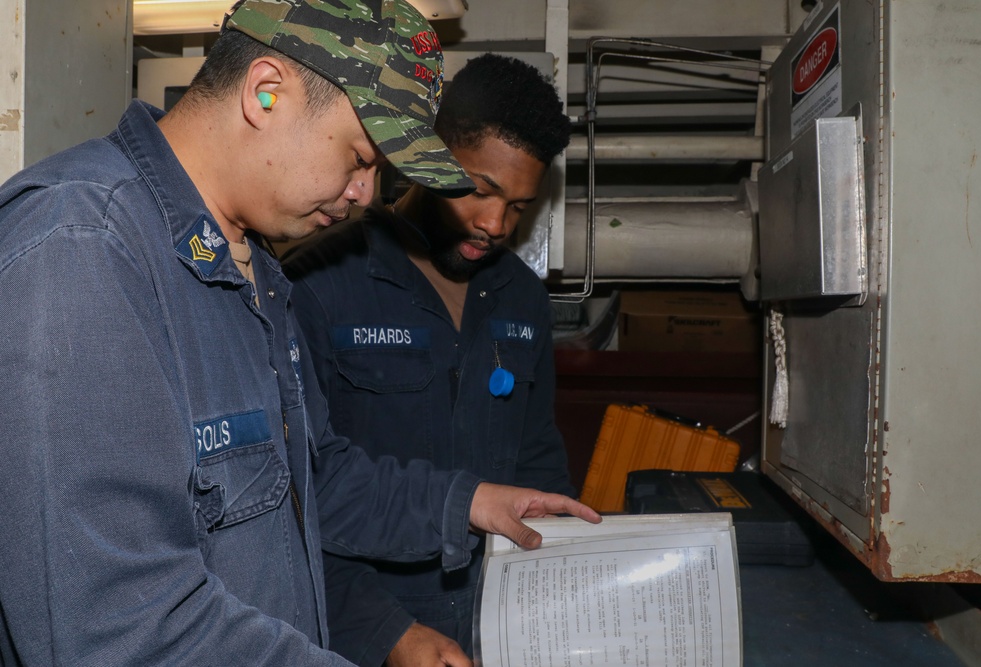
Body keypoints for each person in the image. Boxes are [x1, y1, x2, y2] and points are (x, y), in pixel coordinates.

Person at [0, 2, 598, 665]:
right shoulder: (82, 246)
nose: (366, 195)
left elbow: (314, 481)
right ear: (266, 92)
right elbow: (117, 622)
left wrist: (471, 502)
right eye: (359, 157)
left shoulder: (253, 270)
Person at [283, 53, 575, 665]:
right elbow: (296, 497)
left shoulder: (523, 299)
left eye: (519, 206)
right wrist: (386, 633)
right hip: (360, 632)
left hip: (498, 623)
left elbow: (538, 460)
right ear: (429, 155)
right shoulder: (319, 280)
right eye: (480, 189)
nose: (496, 223)